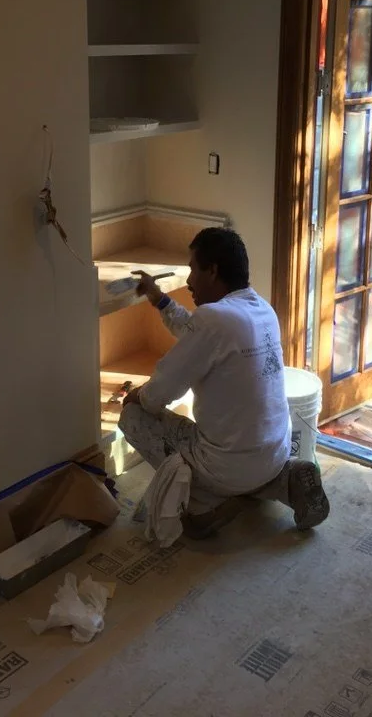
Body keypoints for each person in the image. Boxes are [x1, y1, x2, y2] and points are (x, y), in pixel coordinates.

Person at [118, 227, 330, 538]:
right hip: (275, 452)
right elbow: (194, 331)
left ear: (213, 270)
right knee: (247, 461)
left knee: (132, 416)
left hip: (227, 466)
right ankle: (285, 480)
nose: (189, 281)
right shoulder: (261, 310)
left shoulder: (212, 320)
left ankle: (202, 504)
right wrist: (158, 298)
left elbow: (159, 394)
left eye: (193, 269)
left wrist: (136, 395)